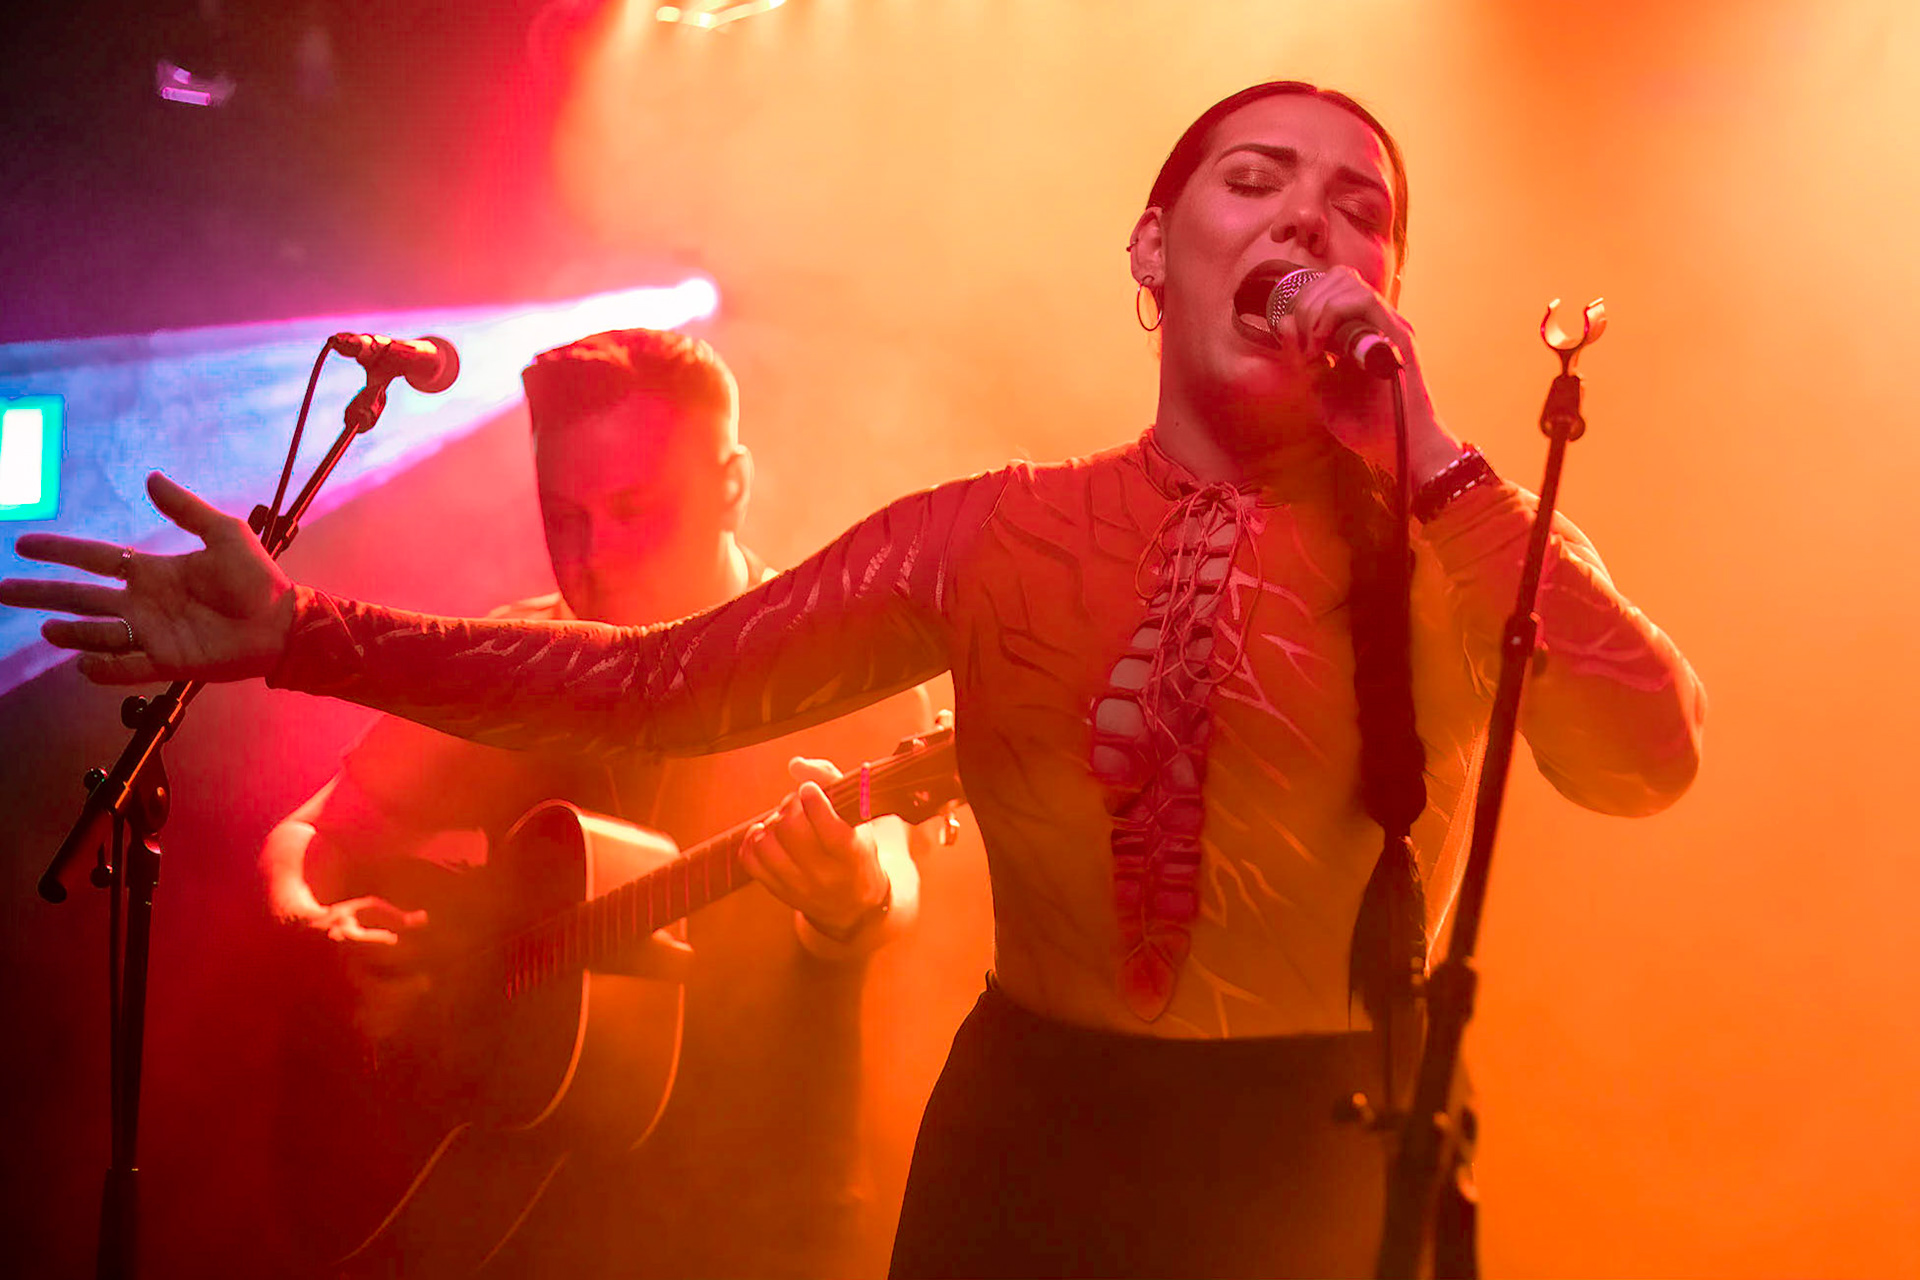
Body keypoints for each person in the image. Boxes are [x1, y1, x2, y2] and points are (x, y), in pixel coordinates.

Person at [4, 82, 1705, 1278]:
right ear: (1151, 248)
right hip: (1029, 1145)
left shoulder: (1453, 537)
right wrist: (304, 632)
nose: (1313, 220)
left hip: (1321, 1154)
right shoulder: (990, 539)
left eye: (1361, 205)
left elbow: (1645, 756)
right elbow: (651, 686)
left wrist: (1432, 457)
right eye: (1257, 178)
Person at [258, 327, 937, 1278]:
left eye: (634, 508)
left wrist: (853, 897)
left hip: (764, 1232)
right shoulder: (512, 661)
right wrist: (315, 933)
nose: (594, 556)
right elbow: (316, 831)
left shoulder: (842, 666)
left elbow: (891, 885)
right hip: (518, 1222)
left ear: (732, 483)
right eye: (562, 514)